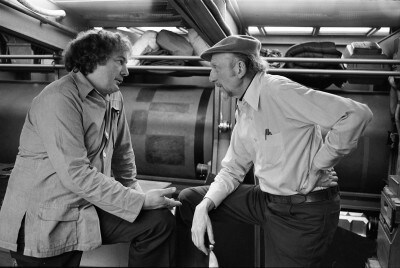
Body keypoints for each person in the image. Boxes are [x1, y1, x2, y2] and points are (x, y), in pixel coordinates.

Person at [178, 35, 373, 267]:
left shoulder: (278, 91)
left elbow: (356, 115)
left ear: (239, 68)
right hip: (267, 201)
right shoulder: (244, 106)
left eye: (215, 68)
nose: (211, 77)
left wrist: (318, 165)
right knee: (190, 200)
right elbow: (232, 169)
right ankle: (209, 258)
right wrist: (204, 206)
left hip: (302, 210)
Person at [0, 29, 181, 267]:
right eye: (120, 62)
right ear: (93, 60)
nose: (126, 71)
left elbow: (123, 154)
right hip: (45, 217)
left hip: (85, 204)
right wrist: (140, 202)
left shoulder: (114, 97)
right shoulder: (59, 98)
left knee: (157, 222)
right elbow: (76, 174)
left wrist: (136, 196)